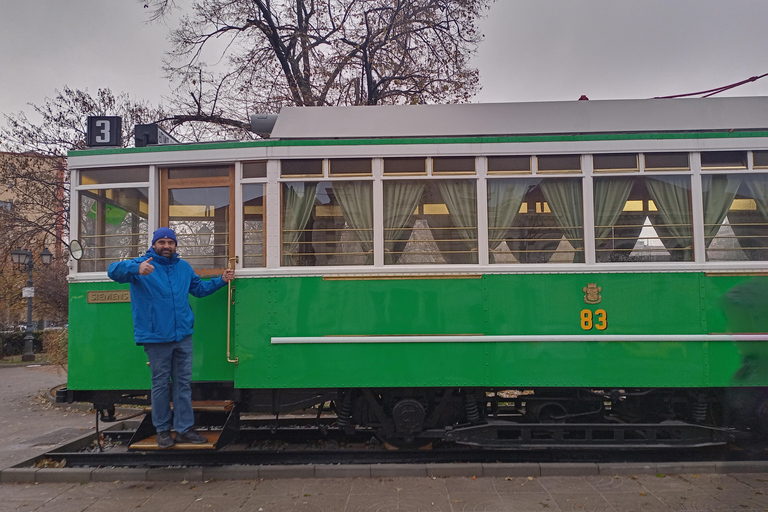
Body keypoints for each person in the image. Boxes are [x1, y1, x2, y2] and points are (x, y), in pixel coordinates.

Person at [108, 227, 234, 448]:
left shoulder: (183, 268)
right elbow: (112, 271)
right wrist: (137, 268)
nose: (166, 246)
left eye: (170, 242)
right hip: (156, 337)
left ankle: (184, 430)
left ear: (176, 245)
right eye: (162, 242)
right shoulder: (143, 264)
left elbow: (199, 290)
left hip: (183, 335)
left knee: (183, 385)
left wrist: (221, 280)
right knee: (160, 386)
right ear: (154, 244)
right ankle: (163, 431)